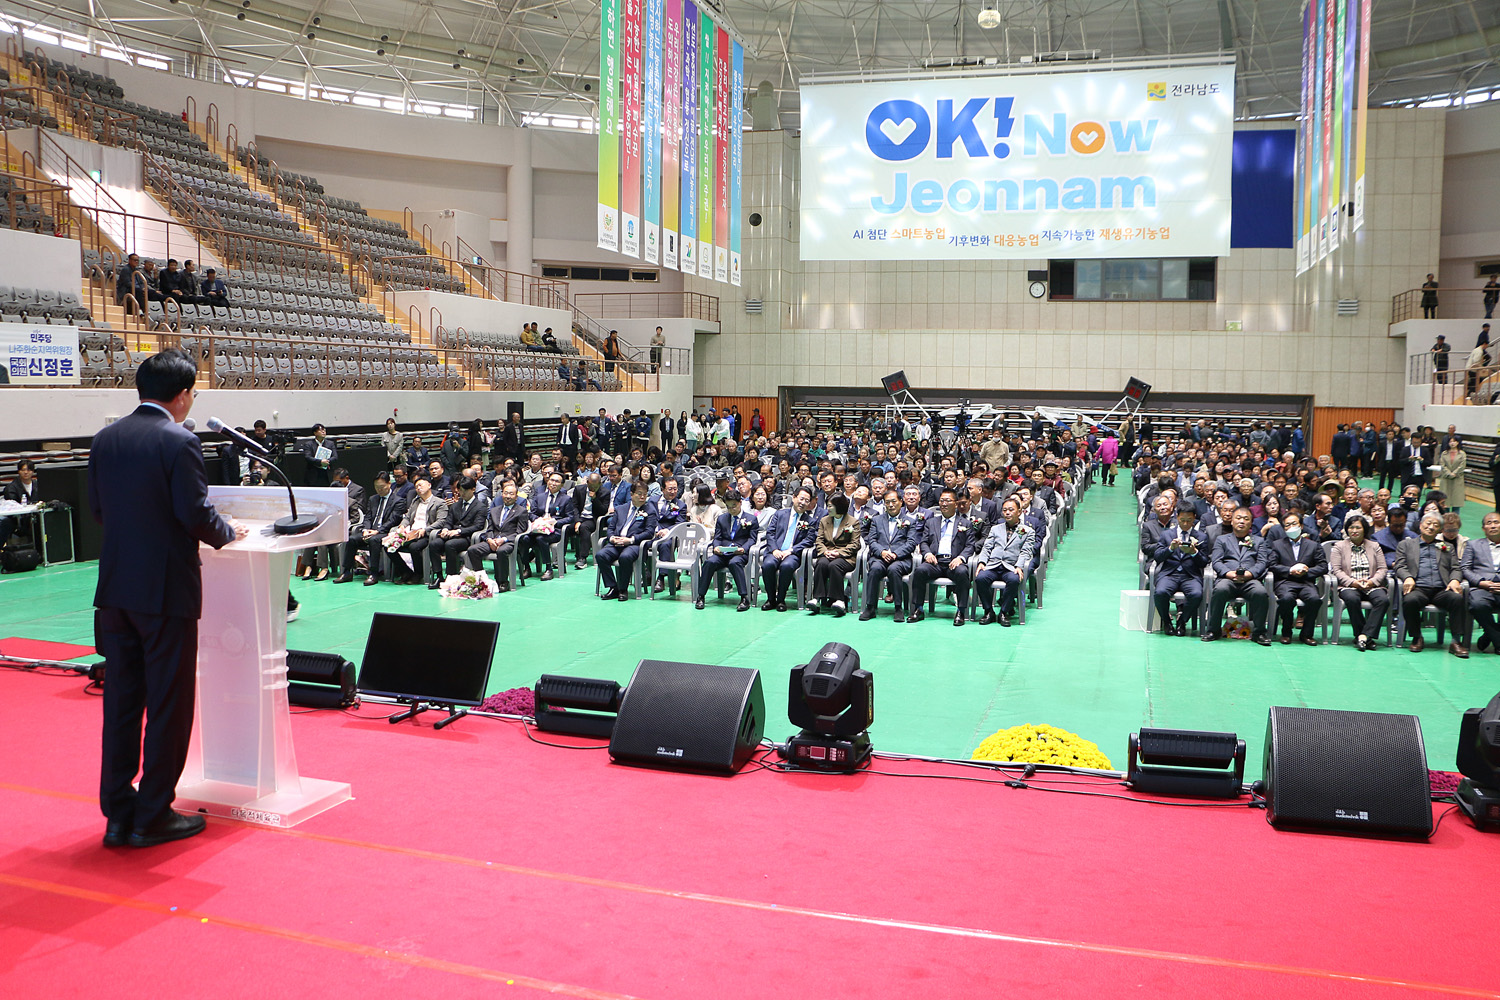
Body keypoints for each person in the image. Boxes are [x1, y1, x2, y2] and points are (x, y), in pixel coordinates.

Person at [89, 348, 248, 848]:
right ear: (182, 396)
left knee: (121, 703)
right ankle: (153, 813)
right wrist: (230, 533)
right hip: (165, 594)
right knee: (168, 705)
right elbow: (195, 513)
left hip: (116, 590)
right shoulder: (179, 441)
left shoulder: (105, 438)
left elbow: (98, 510)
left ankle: (118, 814)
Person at [1394, 512, 1469, 657]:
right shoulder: (1406, 544)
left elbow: (1456, 568)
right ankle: (1417, 637)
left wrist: (1454, 579)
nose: (1431, 527)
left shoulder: (1446, 547)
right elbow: (1400, 566)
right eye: (1428, 523)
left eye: (1435, 525)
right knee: (1410, 600)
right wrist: (1408, 577)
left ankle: (1455, 641)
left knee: (1457, 599)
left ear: (1440, 530)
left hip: (1442, 589)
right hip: (1419, 588)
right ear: (1421, 525)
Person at [1203, 507, 1271, 645]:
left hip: (1250, 580)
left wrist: (1250, 574)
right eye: (1238, 518)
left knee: (1261, 592)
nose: (1242, 521)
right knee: (1220, 590)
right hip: (1227, 579)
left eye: (1246, 519)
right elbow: (1216, 561)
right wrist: (1228, 573)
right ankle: (1213, 630)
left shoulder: (1258, 541)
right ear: (1232, 521)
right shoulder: (1221, 540)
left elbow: (1262, 562)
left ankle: (1259, 633)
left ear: (1251, 523)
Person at [908, 488, 975, 626]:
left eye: (948, 501)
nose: (944, 504)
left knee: (963, 572)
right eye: (942, 500)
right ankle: (918, 609)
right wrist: (927, 554)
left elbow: (970, 546)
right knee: (920, 571)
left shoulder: (966, 524)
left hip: (954, 562)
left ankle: (961, 611)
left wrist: (961, 558)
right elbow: (924, 542)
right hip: (935, 562)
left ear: (956, 504)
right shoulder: (931, 522)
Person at [973, 496, 1036, 626]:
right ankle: (988, 611)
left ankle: (1003, 612)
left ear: (1019, 512)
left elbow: (1026, 551)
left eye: (1011, 510)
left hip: (1011, 566)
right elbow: (987, 547)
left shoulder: (1028, 531)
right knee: (980, 578)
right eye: (1005, 510)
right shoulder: (996, 529)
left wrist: (1019, 566)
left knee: (1014, 580)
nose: (1007, 513)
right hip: (994, 565)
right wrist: (982, 562)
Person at [1331, 514, 1389, 651]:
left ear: (1365, 530)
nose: (1354, 530)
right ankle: (1364, 636)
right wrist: (1353, 582)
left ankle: (1363, 636)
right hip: (1349, 585)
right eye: (1351, 527)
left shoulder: (1375, 546)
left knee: (1383, 600)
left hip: (1371, 584)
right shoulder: (1339, 546)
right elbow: (1336, 570)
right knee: (1352, 598)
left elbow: (1382, 568)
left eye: (1358, 527)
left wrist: (1372, 581)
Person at [1268, 511, 1327, 646]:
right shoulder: (1277, 545)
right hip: (1285, 582)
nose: (1291, 527)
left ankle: (1306, 634)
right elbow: (1272, 565)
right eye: (1287, 525)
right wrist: (1289, 570)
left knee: (1314, 600)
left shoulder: (1313, 545)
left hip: (1306, 582)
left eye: (1294, 523)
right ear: (1284, 529)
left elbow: (1323, 566)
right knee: (1286, 599)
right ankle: (1286, 632)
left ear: (1301, 525)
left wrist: (1307, 571)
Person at [1150, 502, 1209, 637]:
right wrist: (1170, 549)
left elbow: (1204, 562)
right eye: (1182, 520)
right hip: (1170, 574)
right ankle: (1166, 621)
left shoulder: (1201, 537)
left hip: (1190, 575)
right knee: (1160, 592)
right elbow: (1157, 557)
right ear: (1177, 517)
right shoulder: (1166, 535)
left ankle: (1182, 621)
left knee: (1196, 594)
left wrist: (1194, 552)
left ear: (1194, 517)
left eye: (1189, 520)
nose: (1185, 523)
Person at [696, 489, 758, 611]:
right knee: (709, 562)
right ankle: (701, 596)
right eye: (728, 507)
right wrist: (716, 547)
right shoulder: (722, 518)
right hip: (723, 553)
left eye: (734, 506)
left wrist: (743, 549)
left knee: (735, 563)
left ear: (740, 503)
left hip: (740, 553)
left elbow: (752, 539)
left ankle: (744, 598)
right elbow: (717, 537)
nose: (731, 509)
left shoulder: (751, 519)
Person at [858, 490, 914, 622]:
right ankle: (870, 607)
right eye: (887, 502)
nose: (891, 505)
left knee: (894, 570)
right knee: (875, 569)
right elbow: (871, 540)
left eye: (894, 501)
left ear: (901, 502)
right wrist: (882, 552)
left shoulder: (910, 521)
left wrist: (895, 554)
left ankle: (898, 608)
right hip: (880, 557)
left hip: (900, 559)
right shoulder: (877, 520)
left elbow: (911, 543)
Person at [463, 481, 530, 590]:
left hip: (509, 542)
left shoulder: (521, 511)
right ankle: (482, 578)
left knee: (501, 551)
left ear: (516, 497)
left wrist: (503, 540)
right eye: (505, 493)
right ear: (501, 494)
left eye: (511, 494)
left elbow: (520, 532)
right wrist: (489, 539)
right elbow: (489, 529)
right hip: (492, 540)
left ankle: (502, 581)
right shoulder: (494, 510)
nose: (508, 496)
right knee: (472, 550)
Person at [597, 483, 659, 600]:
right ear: (631, 494)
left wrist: (630, 540)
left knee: (625, 557)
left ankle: (623, 589)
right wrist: (612, 538)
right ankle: (613, 587)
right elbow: (611, 528)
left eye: (645, 495)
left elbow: (649, 532)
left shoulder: (650, 510)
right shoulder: (621, 509)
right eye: (639, 494)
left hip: (635, 544)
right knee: (601, 555)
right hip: (616, 542)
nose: (642, 497)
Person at [759, 486, 814, 611]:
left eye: (807, 500)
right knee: (767, 565)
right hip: (775, 551)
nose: (803, 503)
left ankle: (781, 600)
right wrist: (774, 550)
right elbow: (770, 533)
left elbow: (809, 540)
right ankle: (771, 599)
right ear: (794, 498)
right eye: (801, 499)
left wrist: (791, 551)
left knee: (787, 566)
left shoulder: (810, 521)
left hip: (792, 554)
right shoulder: (780, 514)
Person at [431, 476, 486, 586]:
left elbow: (478, 526)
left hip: (466, 537)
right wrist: (446, 529)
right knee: (434, 544)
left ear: (473, 489)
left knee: (450, 545)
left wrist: (459, 531)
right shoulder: (455, 505)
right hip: (452, 534)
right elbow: (449, 521)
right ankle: (438, 576)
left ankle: (451, 576)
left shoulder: (480, 506)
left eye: (465, 490)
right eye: (460, 490)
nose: (462, 493)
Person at [1462, 511, 1500, 653]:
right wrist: (1480, 582)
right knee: (1477, 604)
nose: (1493, 526)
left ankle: (1490, 634)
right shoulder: (1473, 545)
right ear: (1483, 529)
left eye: (1496, 522)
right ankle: (1498, 640)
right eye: (1489, 523)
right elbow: (1465, 568)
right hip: (1482, 588)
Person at [0, 458, 38, 549]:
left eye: (28, 470)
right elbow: (12, 505)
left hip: (35, 516)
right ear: (19, 471)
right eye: (23, 470)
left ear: (32, 472)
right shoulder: (11, 488)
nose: (26, 472)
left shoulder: (38, 485)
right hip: (18, 519)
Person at [1437, 438, 1467, 510]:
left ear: (1457, 443)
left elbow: (1462, 465)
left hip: (1457, 478)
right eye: (1450, 441)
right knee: (1445, 500)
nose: (1452, 443)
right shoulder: (1444, 453)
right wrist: (1449, 473)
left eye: (1454, 441)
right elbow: (1442, 464)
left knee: (1456, 501)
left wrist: (1454, 473)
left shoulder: (1462, 454)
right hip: (1446, 478)